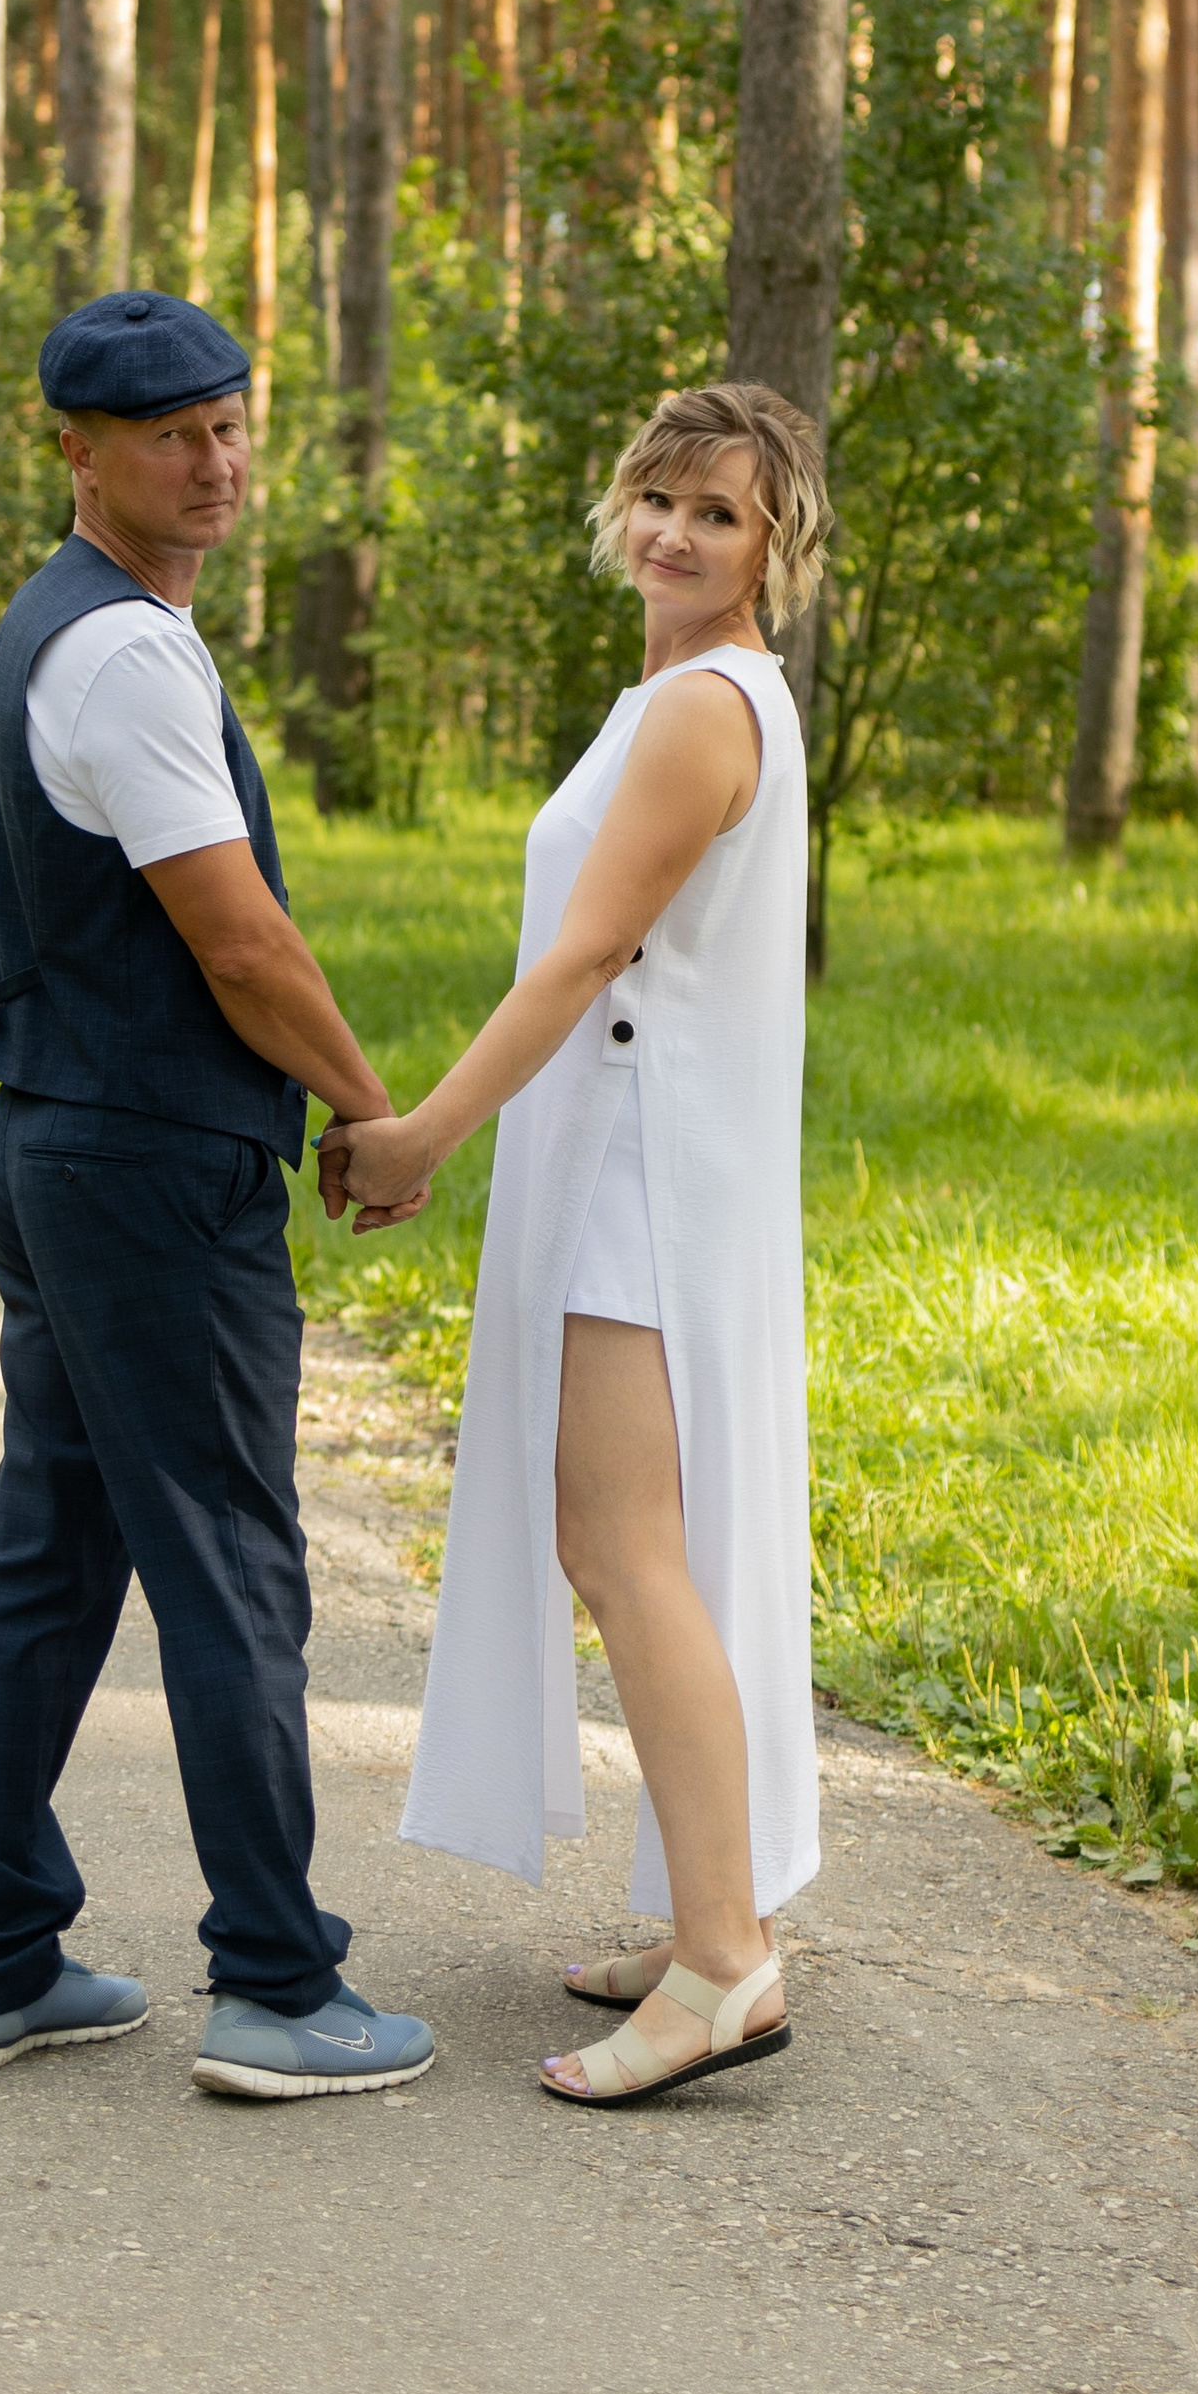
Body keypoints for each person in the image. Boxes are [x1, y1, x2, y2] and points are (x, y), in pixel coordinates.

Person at [0, 290, 435, 2103]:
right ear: (76, 450)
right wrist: (372, 1109)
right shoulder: (125, 655)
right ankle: (281, 1987)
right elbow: (238, 940)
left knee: (55, 1547)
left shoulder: (84, 628)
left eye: (231, 423)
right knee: (228, 1559)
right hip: (147, 1159)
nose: (215, 462)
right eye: (169, 436)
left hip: (59, 1137)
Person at [334, 384, 828, 2107]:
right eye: (659, 499)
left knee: (625, 1555)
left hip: (637, 1188)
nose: (677, 534)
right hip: (636, 1165)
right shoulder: (681, 698)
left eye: (721, 513)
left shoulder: (705, 708)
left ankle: (722, 1962)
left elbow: (583, 964)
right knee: (633, 1548)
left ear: (778, 547)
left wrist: (419, 1135)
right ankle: (722, 1907)